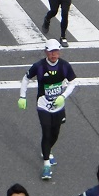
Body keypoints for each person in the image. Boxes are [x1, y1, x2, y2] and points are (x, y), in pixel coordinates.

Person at [18, 39, 77, 179]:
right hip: (43, 105)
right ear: (46, 52)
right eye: (50, 51)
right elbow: (26, 79)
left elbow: (73, 82)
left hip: (59, 106)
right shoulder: (39, 66)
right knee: (46, 131)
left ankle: (47, 150)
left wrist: (63, 96)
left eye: (56, 51)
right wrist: (22, 96)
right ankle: (46, 165)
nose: (53, 54)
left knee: (55, 133)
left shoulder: (64, 66)